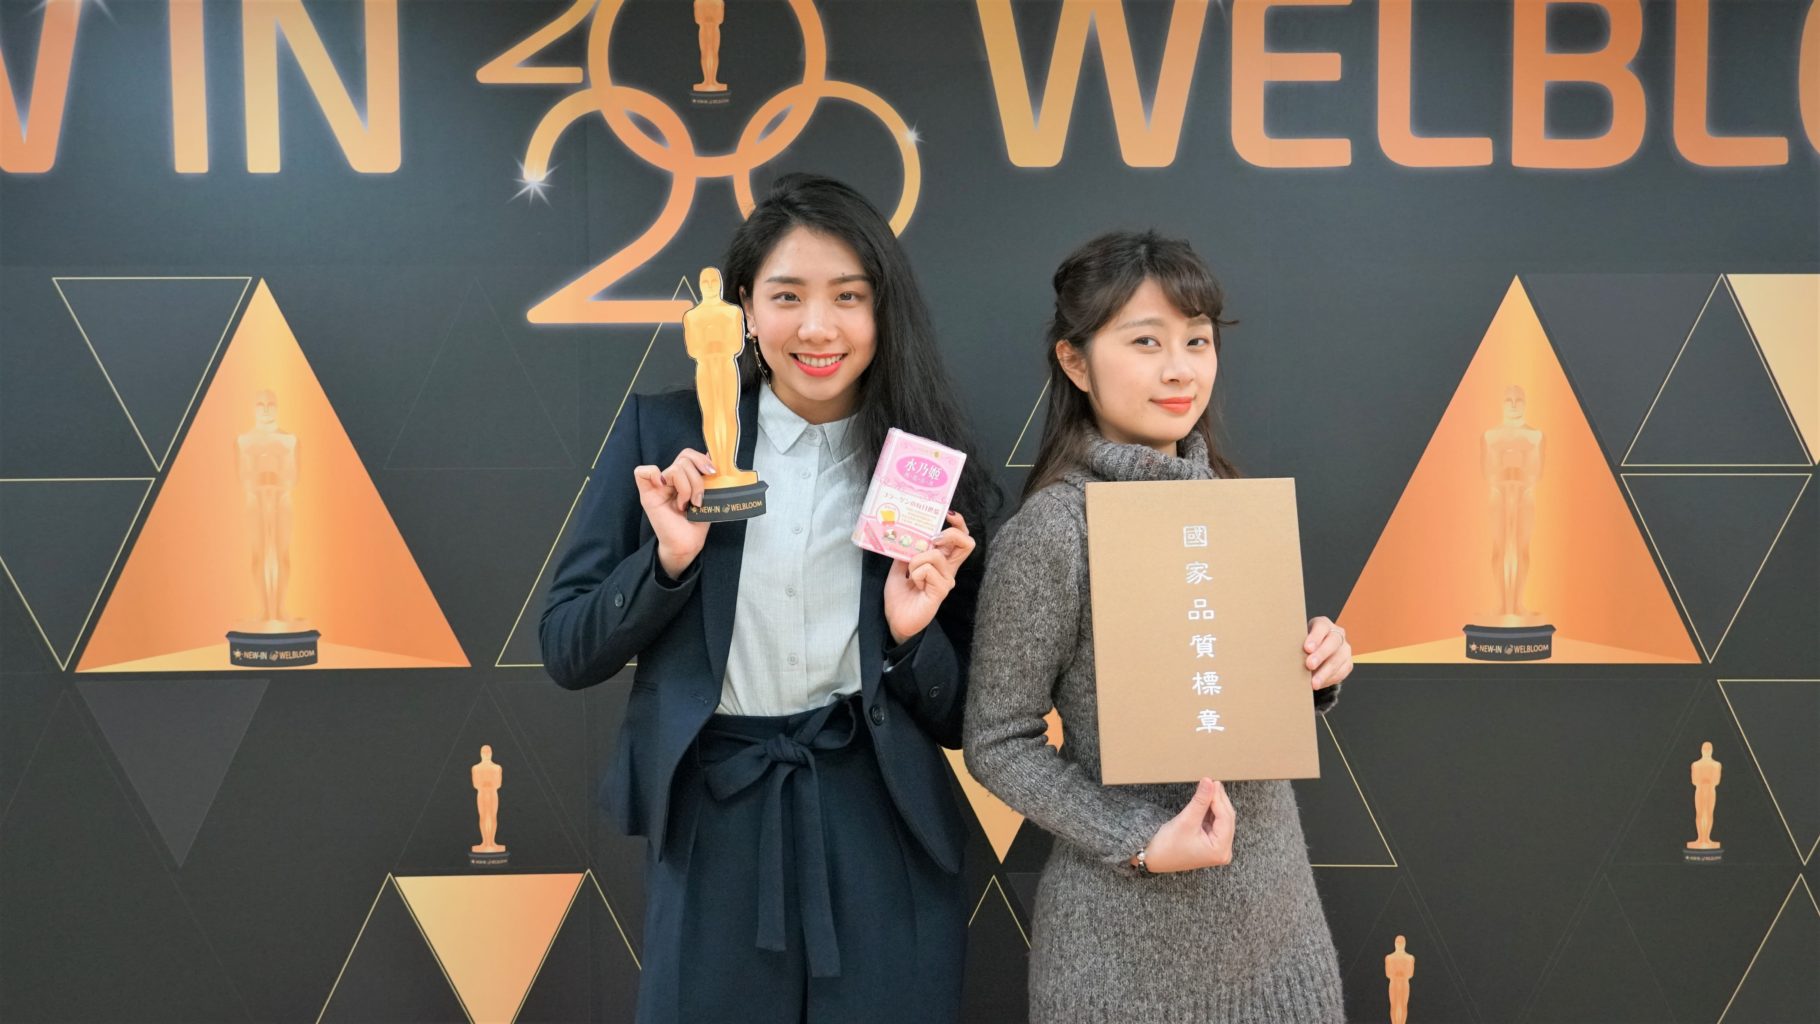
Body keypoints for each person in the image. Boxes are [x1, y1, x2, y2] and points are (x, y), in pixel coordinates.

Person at [540, 173, 994, 1024]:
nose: (817, 327)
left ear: (883, 310)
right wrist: (667, 565)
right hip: (717, 809)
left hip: (883, 817)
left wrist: (909, 638)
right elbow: (567, 646)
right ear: (745, 307)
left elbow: (964, 717)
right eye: (788, 296)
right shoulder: (667, 437)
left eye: (848, 296)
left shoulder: (926, 464)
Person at [963, 230, 1353, 1022]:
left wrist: (1312, 670)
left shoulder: (1234, 507)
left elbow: (1232, 698)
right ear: (1076, 362)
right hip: (1122, 961)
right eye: (1146, 342)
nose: (1180, 370)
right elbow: (997, 739)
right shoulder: (1053, 533)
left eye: (1196, 341)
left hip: (1280, 936)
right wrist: (1138, 837)